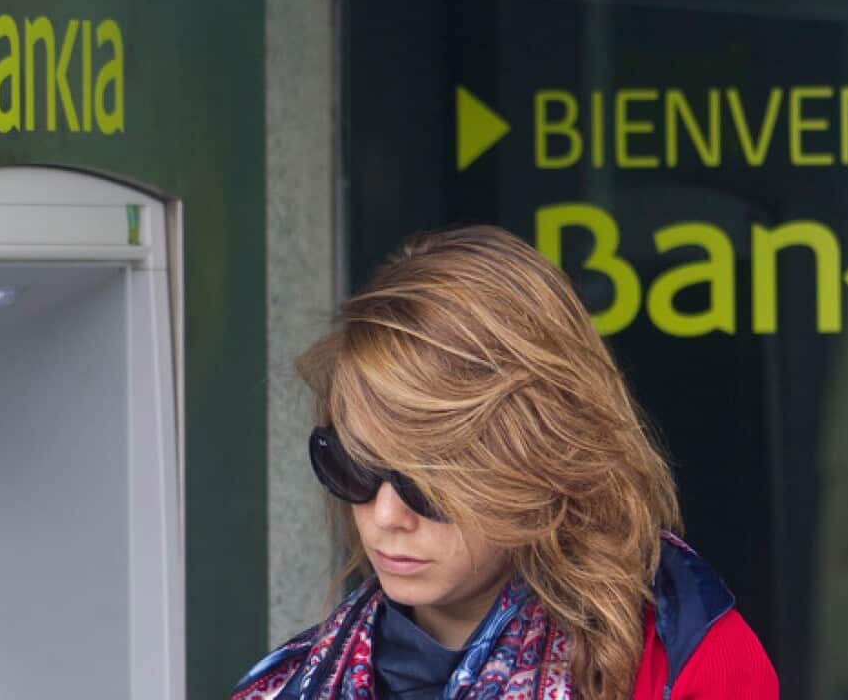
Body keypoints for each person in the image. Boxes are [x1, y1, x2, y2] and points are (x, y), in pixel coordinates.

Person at [232, 226, 778, 699]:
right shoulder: (288, 684)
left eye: (430, 480)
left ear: (538, 458)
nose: (386, 515)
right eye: (354, 466)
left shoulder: (686, 663)